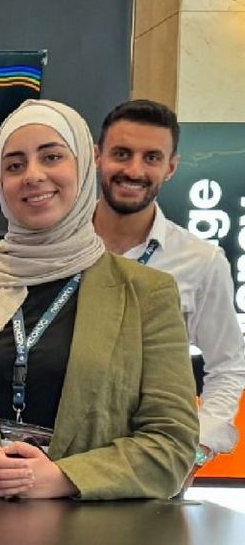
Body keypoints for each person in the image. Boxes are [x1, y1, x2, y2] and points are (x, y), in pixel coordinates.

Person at [0, 99, 198, 499]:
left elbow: (172, 440)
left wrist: (63, 478)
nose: (33, 175)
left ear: (84, 165)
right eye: (14, 165)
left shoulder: (147, 293)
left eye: (52, 157)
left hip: (95, 528)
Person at [93, 99, 245, 462]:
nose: (134, 170)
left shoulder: (201, 262)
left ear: (171, 168)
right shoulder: (57, 246)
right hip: (56, 457)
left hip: (151, 461)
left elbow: (228, 365)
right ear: (98, 157)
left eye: (151, 158)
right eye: (121, 154)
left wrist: (198, 447)